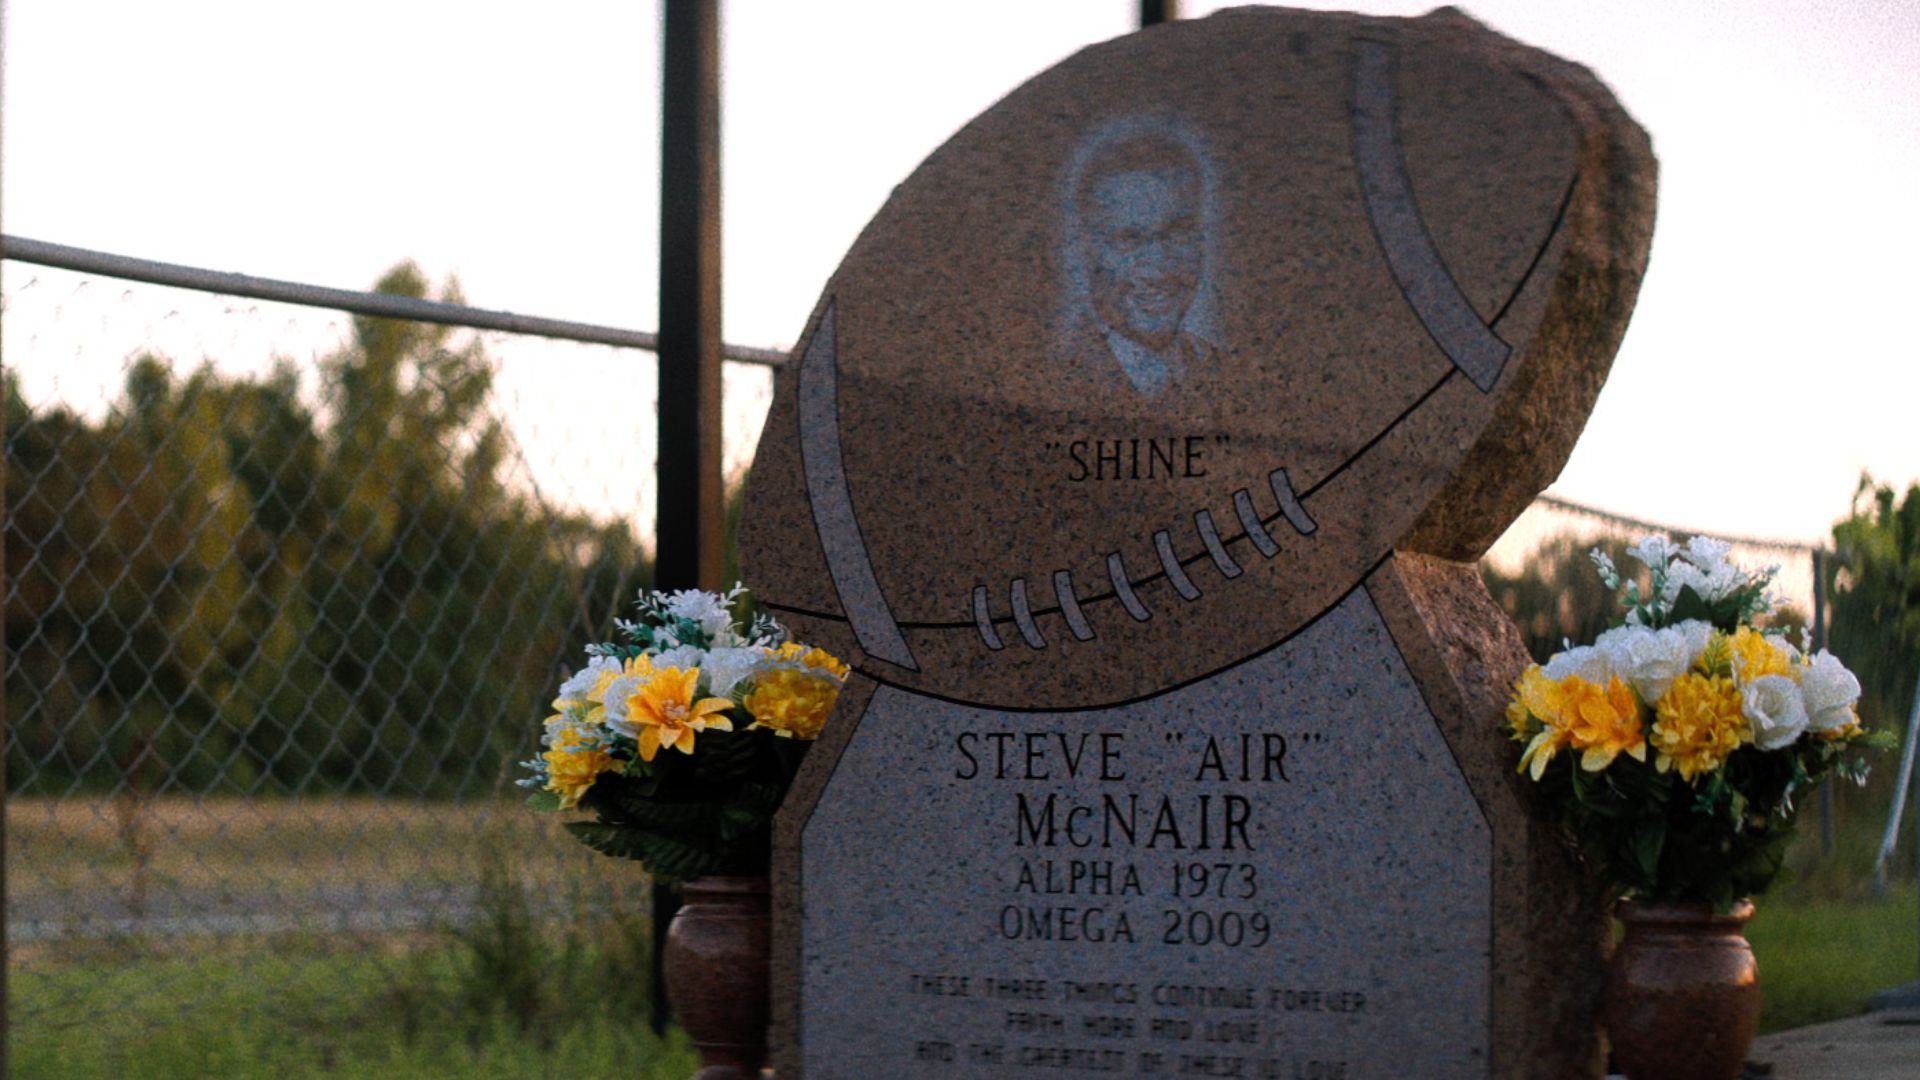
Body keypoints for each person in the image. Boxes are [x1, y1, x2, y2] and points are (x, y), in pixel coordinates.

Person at [1064, 127, 1221, 398]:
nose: (1158, 271)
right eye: (1129, 240)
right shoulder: (1061, 370)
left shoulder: (1226, 371)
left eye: (1178, 234)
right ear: (1087, 250)